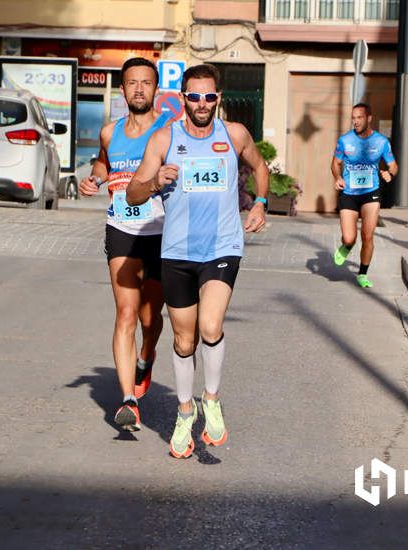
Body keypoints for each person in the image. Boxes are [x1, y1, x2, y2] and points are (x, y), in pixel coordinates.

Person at [127, 64, 269, 459]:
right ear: (183, 97)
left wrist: (260, 203)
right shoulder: (164, 139)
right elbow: (133, 194)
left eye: (209, 96)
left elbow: (259, 167)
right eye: (194, 96)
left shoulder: (234, 134)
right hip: (176, 253)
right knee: (184, 339)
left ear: (218, 98)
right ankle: (185, 412)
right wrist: (156, 182)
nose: (202, 103)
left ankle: (211, 399)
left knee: (210, 327)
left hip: (222, 248)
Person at [78, 57, 171, 432]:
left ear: (156, 90)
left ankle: (146, 358)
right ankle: (128, 400)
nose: (138, 89)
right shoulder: (109, 132)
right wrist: (95, 179)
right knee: (126, 314)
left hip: (164, 231)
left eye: (145, 83)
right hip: (122, 228)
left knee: (151, 318)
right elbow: (105, 163)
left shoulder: (170, 129)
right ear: (122, 90)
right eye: (132, 83)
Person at [330, 103, 398, 288]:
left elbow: (393, 165)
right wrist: (337, 177)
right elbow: (335, 163)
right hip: (349, 193)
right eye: (353, 118)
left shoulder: (382, 142)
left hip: (371, 193)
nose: (355, 121)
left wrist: (389, 174)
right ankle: (347, 246)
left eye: (359, 117)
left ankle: (362, 273)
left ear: (369, 118)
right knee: (349, 238)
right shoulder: (345, 140)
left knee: (368, 236)